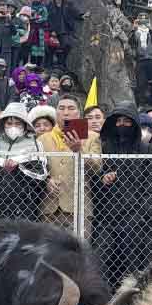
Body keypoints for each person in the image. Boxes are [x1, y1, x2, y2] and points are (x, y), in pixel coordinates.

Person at [94, 104, 152, 286]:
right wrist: (101, 180)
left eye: (126, 121)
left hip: (135, 218)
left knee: (132, 264)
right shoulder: (104, 148)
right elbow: (92, 180)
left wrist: (140, 214)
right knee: (101, 260)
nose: (121, 125)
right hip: (105, 217)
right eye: (118, 121)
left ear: (134, 123)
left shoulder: (146, 150)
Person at [37, 94, 101, 230]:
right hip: (50, 208)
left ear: (79, 112)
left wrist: (79, 151)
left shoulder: (92, 137)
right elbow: (36, 169)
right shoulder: (43, 139)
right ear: (56, 112)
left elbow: (96, 168)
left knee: (79, 250)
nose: (66, 112)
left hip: (79, 207)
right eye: (61, 108)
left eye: (71, 108)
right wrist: (46, 181)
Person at [0, 102, 48, 221]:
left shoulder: (35, 143)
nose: (13, 127)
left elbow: (41, 175)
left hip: (24, 205)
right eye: (9, 123)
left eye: (17, 123)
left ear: (25, 125)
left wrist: (19, 168)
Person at [129, 13, 152, 106]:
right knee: (141, 83)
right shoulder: (136, 32)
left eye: (145, 20)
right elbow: (131, 42)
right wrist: (133, 29)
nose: (143, 23)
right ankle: (142, 104)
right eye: (141, 21)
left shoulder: (151, 32)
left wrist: (150, 29)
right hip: (140, 60)